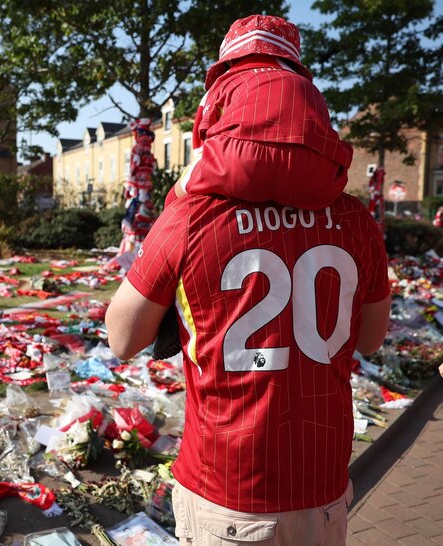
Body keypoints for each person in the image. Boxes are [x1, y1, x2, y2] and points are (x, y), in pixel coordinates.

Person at [105, 14, 391, 546]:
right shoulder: (356, 220)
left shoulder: (192, 214)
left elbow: (122, 339)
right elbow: (370, 338)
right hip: (321, 486)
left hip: (225, 486)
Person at [172, 15, 352, 211]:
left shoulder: (222, 83)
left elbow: (201, 145)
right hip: (315, 174)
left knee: (175, 199)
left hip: (238, 162)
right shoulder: (309, 88)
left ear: (229, 60)